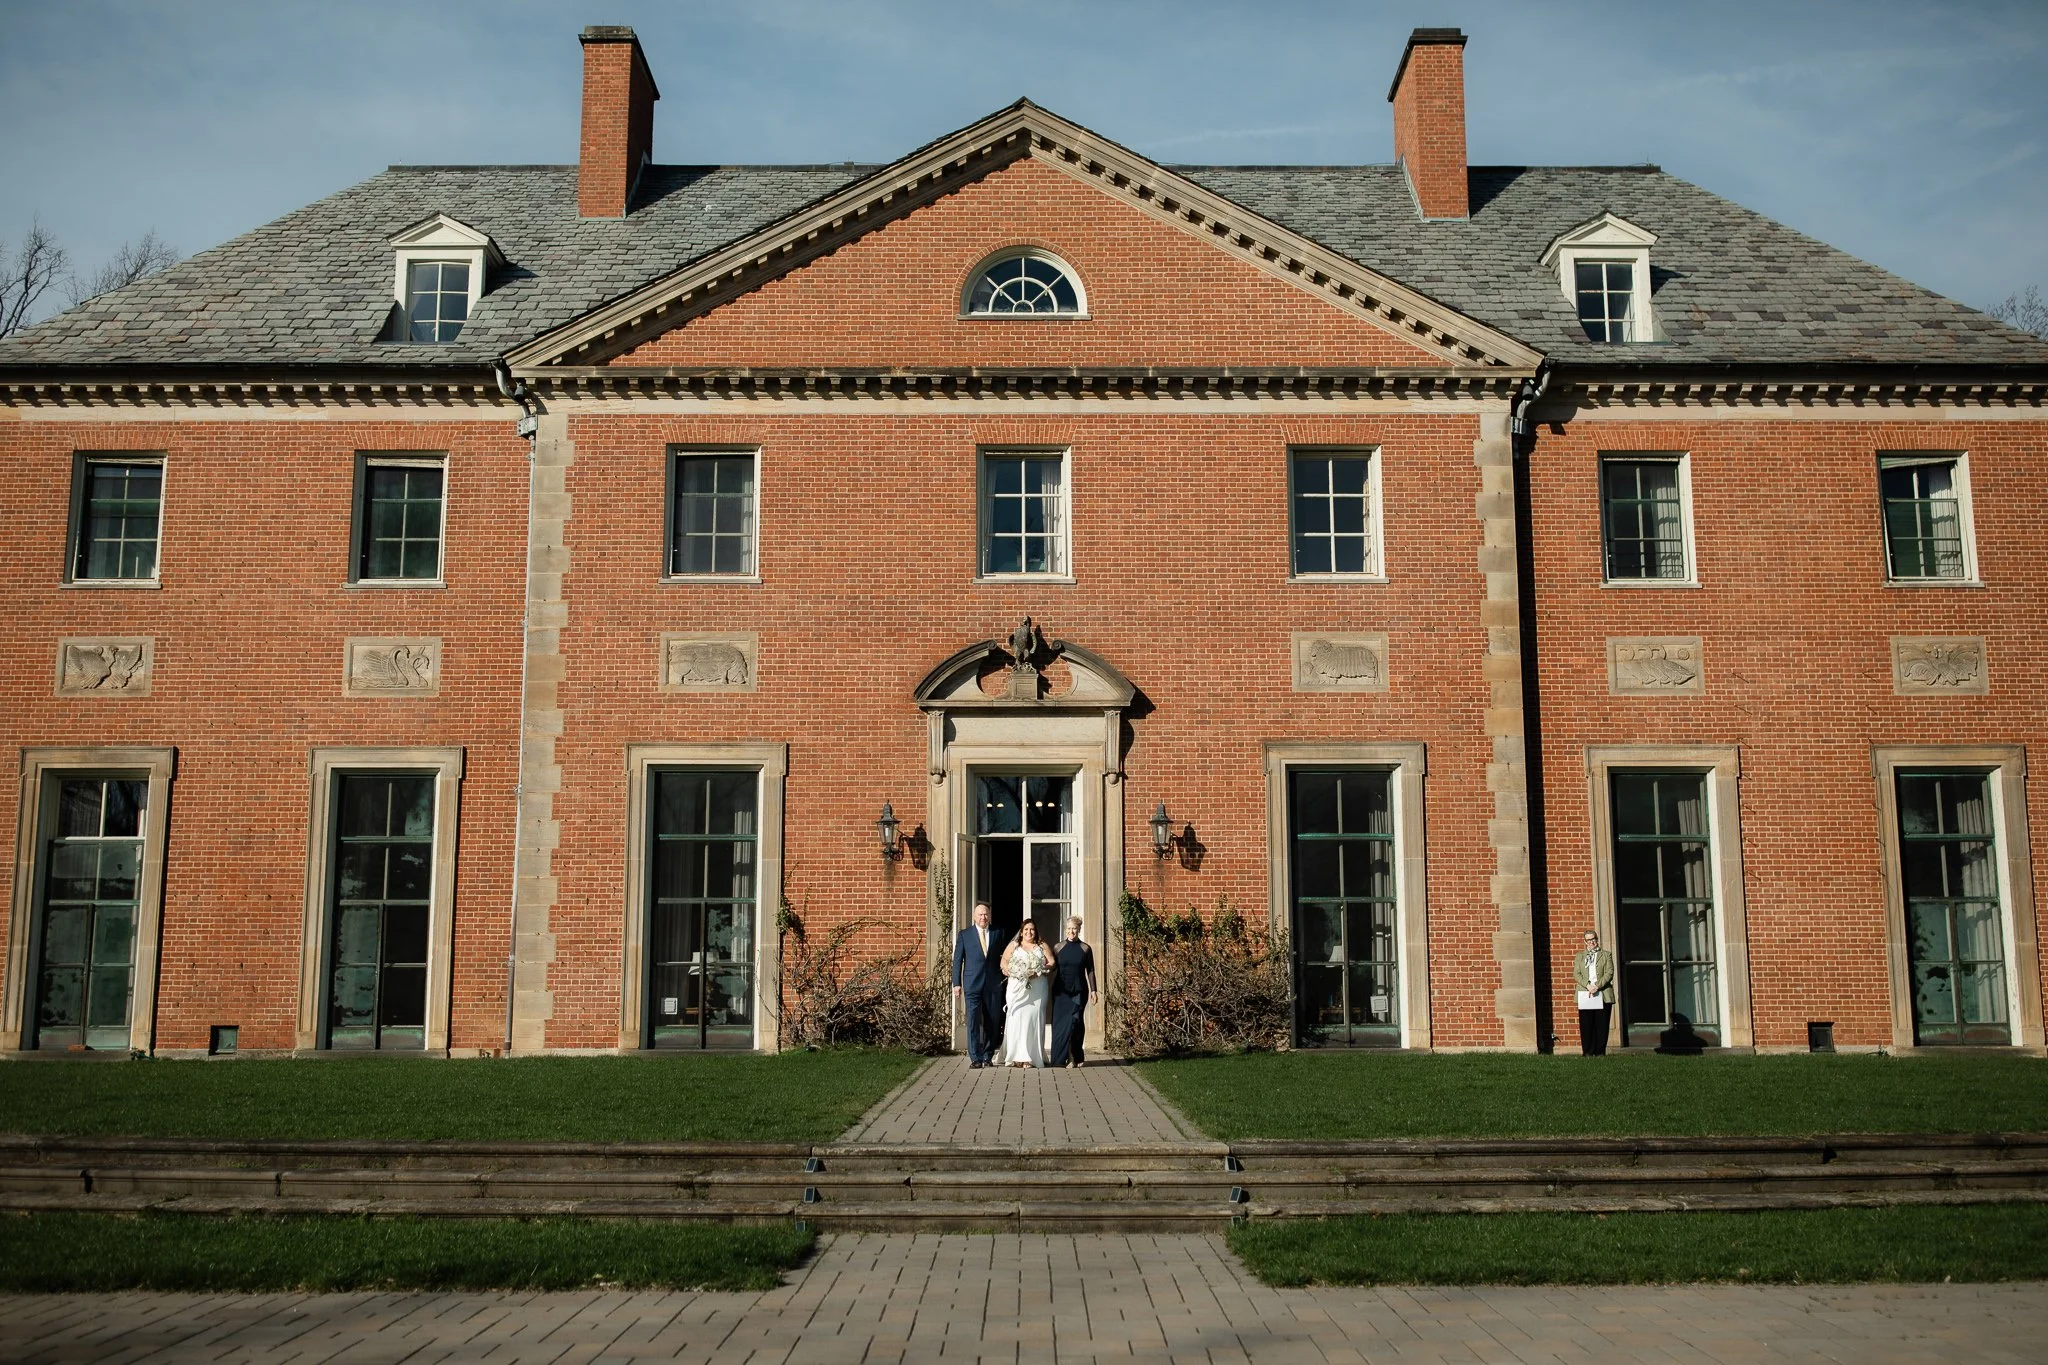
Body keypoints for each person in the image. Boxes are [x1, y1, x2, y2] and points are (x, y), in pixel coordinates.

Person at [952, 901, 1007, 1068]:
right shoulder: (964, 935)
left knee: (993, 1021)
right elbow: (957, 960)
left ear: (989, 916)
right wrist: (956, 983)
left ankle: (987, 1056)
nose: (983, 917)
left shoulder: (999, 932)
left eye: (986, 914)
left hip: (993, 984)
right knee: (973, 1020)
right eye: (980, 914)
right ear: (974, 917)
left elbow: (1005, 957)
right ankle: (975, 1057)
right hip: (972, 984)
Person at [996, 919, 1053, 1068]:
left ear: (1036, 931)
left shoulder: (1042, 946)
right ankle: (1016, 1056)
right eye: (1026, 929)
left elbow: (1052, 962)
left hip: (1037, 988)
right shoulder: (1015, 945)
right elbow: (1004, 962)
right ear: (1021, 932)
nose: (1029, 932)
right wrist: (1012, 971)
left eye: (1032, 929)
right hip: (1017, 988)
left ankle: (1031, 1058)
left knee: (1033, 1020)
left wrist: (1039, 969)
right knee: (1017, 1019)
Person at [1049, 914, 1097, 1068]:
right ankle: (1061, 1058)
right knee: (1061, 1025)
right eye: (1069, 929)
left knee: (1076, 1024)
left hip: (1079, 991)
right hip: (1060, 991)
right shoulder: (1058, 947)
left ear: (1079, 930)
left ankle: (1074, 1056)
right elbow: (1050, 967)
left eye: (1074, 929)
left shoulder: (1085, 948)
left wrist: (1093, 991)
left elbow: (1090, 970)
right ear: (1065, 930)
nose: (1072, 932)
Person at [1574, 928, 1615, 1056]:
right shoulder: (1580, 956)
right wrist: (1588, 985)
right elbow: (1576, 974)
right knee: (1586, 1024)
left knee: (1601, 1025)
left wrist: (1597, 986)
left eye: (1594, 939)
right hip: (1585, 994)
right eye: (1589, 940)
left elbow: (1609, 973)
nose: (1592, 942)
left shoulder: (1606, 954)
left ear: (1597, 939)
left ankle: (1600, 1052)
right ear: (1585, 941)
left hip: (1602, 993)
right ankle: (1587, 1052)